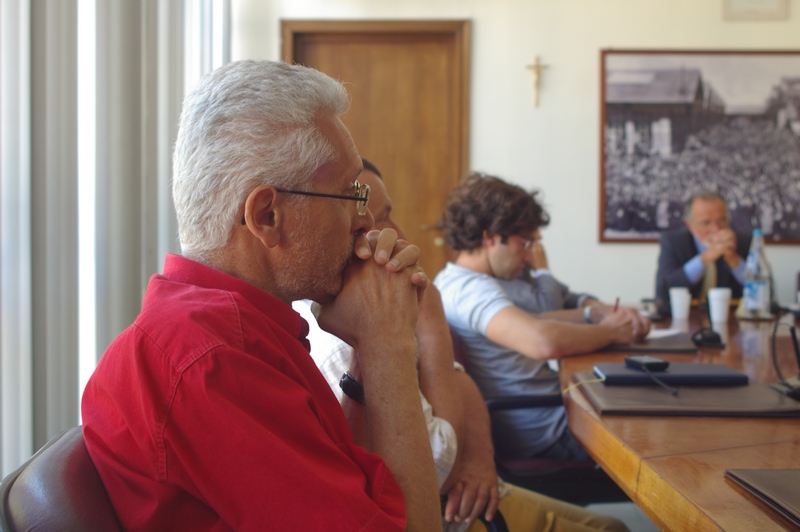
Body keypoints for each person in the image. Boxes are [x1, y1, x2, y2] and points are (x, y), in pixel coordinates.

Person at [80, 61, 442, 531]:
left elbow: (356, 484)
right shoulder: (210, 361)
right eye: (349, 195)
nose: (366, 221)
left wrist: (362, 358)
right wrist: (388, 343)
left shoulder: (230, 330)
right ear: (267, 216)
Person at [297, 160, 629, 532]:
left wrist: (480, 458)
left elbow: (460, 378)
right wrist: (433, 324)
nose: (400, 233)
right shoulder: (347, 332)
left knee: (615, 523)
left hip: (477, 481)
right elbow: (440, 464)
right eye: (383, 219)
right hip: (453, 510)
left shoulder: (399, 301)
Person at [434, 173, 650, 462]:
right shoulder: (470, 290)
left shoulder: (457, 281)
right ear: (490, 237)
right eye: (525, 243)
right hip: (548, 432)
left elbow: (539, 319)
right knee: (659, 430)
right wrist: (613, 332)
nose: (529, 256)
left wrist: (592, 312)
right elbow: (543, 341)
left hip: (554, 412)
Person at [654, 190, 751, 314]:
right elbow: (663, 291)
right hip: (686, 317)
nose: (716, 228)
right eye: (706, 223)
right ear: (690, 225)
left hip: (732, 320)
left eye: (721, 220)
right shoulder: (672, 242)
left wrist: (734, 260)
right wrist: (705, 258)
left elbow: (765, 291)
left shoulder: (744, 242)